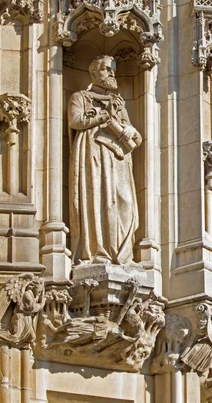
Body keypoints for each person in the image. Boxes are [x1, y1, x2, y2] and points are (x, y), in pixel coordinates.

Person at [68, 55, 142, 266]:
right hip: (94, 153)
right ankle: (98, 253)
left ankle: (123, 254)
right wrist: (104, 116)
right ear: (94, 72)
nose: (112, 74)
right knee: (99, 199)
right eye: (107, 69)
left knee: (125, 201)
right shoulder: (80, 97)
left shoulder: (118, 103)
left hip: (119, 158)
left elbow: (136, 137)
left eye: (113, 70)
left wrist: (126, 129)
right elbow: (75, 121)